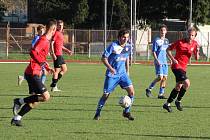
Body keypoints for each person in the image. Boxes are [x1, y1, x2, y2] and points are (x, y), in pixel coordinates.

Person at [11, 19, 57, 126]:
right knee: (46, 96)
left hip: (34, 72)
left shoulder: (46, 40)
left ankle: (17, 118)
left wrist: (46, 66)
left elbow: (40, 56)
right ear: (53, 29)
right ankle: (19, 101)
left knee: (35, 101)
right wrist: (42, 64)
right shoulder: (44, 40)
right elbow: (32, 52)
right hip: (32, 72)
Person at [93, 29, 135, 121]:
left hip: (123, 74)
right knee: (106, 95)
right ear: (119, 37)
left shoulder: (128, 46)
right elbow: (103, 58)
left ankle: (126, 112)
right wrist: (110, 68)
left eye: (127, 37)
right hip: (112, 75)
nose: (126, 39)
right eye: (124, 37)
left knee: (131, 92)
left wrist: (128, 70)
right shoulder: (113, 46)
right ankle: (97, 113)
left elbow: (126, 57)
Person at [163, 27, 200, 112]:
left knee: (178, 86)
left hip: (183, 68)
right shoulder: (180, 42)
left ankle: (167, 104)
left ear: (195, 36)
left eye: (192, 35)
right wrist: (172, 59)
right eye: (189, 34)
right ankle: (178, 101)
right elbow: (168, 49)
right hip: (176, 66)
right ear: (187, 34)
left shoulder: (195, 44)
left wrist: (197, 51)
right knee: (187, 83)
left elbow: (197, 58)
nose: (190, 36)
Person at [145, 24, 170, 99]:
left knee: (165, 78)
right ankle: (149, 89)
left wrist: (170, 59)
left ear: (166, 31)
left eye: (164, 30)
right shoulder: (156, 40)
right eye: (161, 30)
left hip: (165, 62)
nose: (163, 31)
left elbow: (166, 52)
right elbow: (153, 51)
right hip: (158, 62)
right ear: (159, 31)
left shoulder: (166, 41)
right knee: (160, 77)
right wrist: (156, 60)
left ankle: (161, 94)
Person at [50, 20, 72, 92]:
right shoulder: (56, 33)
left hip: (60, 54)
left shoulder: (61, 34)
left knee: (64, 69)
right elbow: (51, 43)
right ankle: (54, 86)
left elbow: (60, 45)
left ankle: (54, 83)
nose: (60, 26)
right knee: (56, 71)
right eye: (59, 25)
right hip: (57, 54)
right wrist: (53, 53)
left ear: (63, 26)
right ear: (57, 26)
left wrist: (67, 50)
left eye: (61, 25)